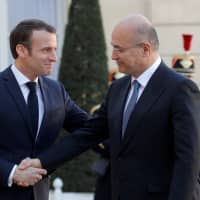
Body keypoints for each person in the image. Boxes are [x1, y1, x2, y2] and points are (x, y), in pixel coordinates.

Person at [20, 14, 200, 200]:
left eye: (118, 49)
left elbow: (188, 160)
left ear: (145, 49)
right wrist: (41, 162)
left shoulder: (179, 89)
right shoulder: (118, 88)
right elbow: (88, 134)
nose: (113, 55)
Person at [0, 19, 88, 200]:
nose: (54, 57)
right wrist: (12, 172)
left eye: (54, 49)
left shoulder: (56, 91)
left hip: (39, 194)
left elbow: (91, 128)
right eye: (46, 50)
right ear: (21, 50)